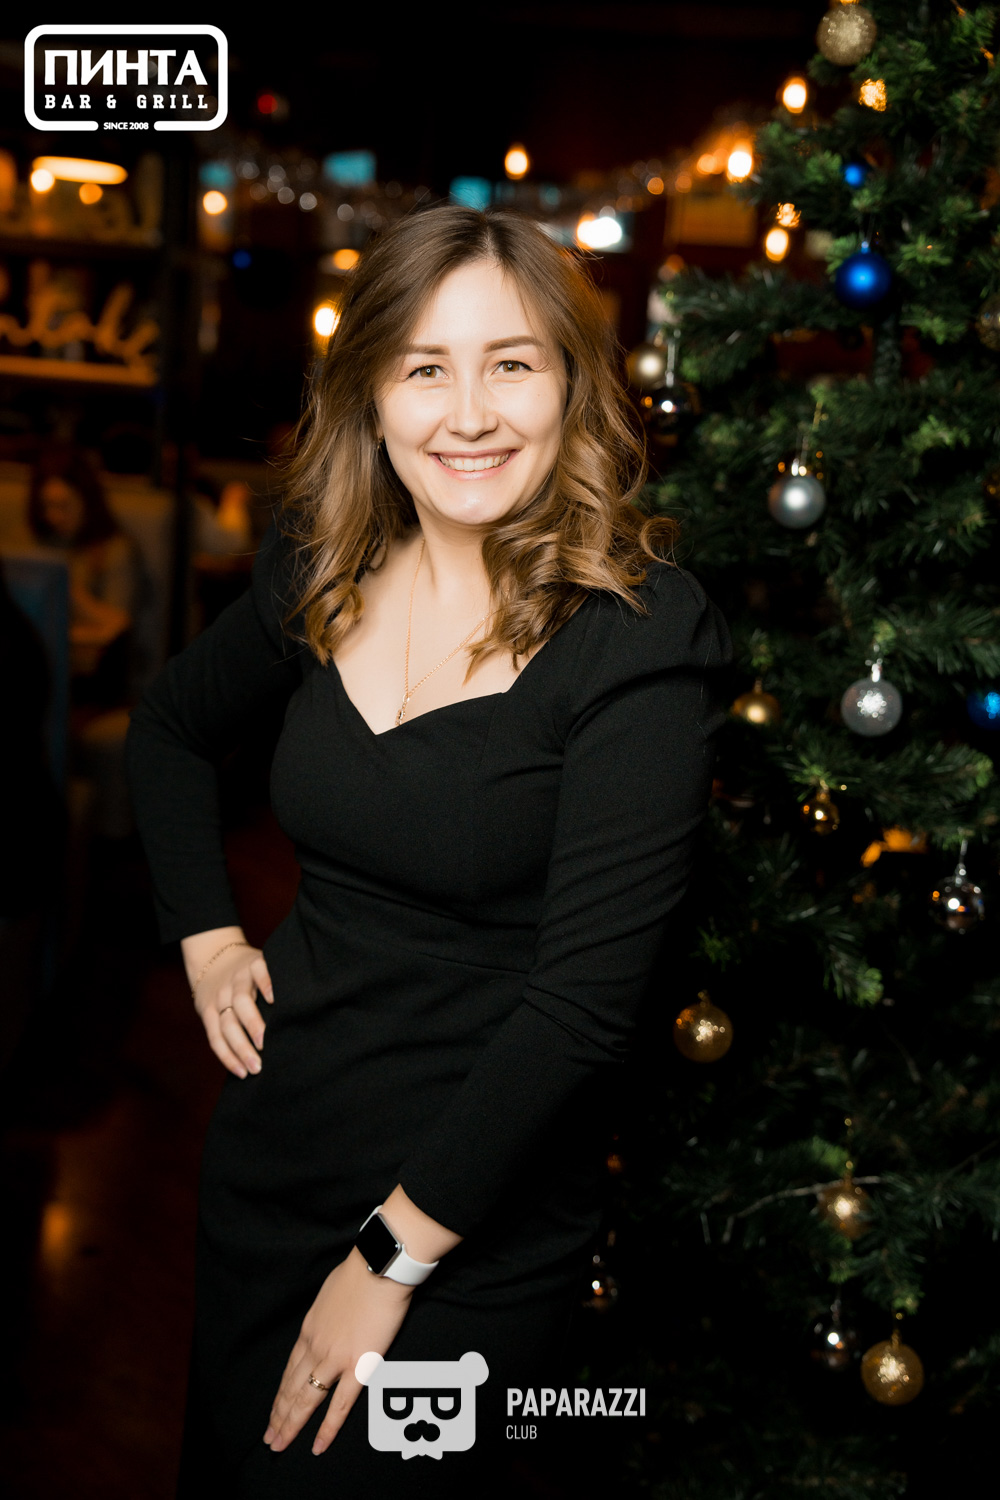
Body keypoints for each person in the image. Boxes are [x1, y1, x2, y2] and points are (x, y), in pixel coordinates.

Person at [124, 204, 732, 1497]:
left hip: (471, 1229)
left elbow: (581, 1012)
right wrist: (209, 937)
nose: (469, 415)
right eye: (424, 369)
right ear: (370, 395)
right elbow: (169, 731)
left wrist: (388, 1260)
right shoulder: (323, 562)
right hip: (271, 1173)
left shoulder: (639, 637)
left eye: (511, 364)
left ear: (571, 384)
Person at [28, 447, 143, 709]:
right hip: (39, 666)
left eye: (64, 505)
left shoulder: (114, 551)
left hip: (91, 684)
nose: (54, 516)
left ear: (87, 500)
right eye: (46, 506)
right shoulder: (37, 542)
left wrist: (68, 589)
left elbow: (117, 625)